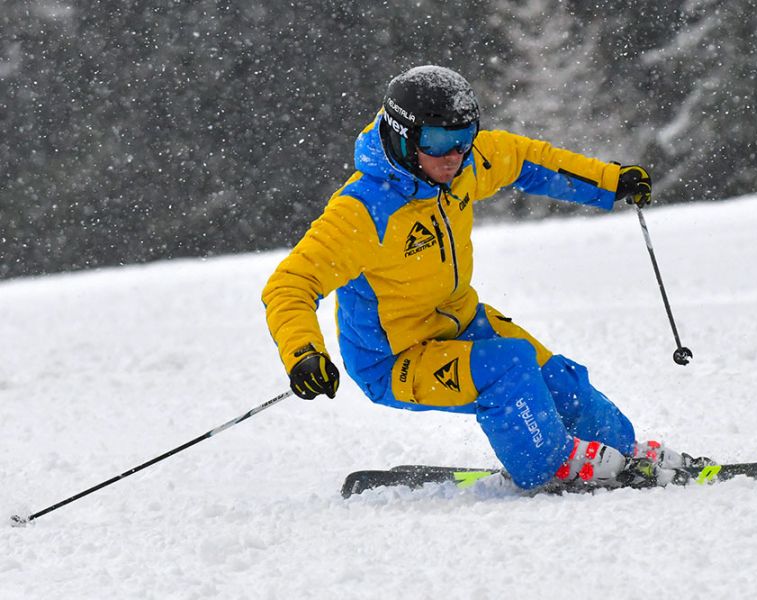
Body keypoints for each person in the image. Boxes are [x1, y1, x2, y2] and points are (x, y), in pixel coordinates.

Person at [263, 65, 689, 491]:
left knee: (560, 380)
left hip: (461, 321)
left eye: (464, 138)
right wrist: (303, 353)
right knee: (507, 368)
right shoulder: (362, 212)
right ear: (403, 137)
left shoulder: (462, 166)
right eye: (437, 141)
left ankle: (622, 451)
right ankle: (551, 466)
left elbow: (525, 159)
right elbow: (290, 285)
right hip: (393, 358)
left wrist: (608, 182)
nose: (454, 155)